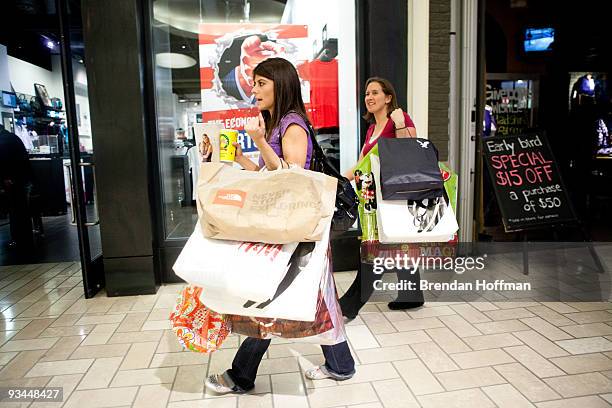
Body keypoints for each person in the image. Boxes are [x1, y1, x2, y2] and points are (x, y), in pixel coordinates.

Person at [205, 58, 355, 394]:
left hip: (296, 227)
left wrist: (258, 142)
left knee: (272, 296)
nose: (253, 89)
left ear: (281, 84)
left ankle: (240, 375)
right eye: (254, 83)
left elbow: (292, 177)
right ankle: (341, 365)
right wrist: (241, 159)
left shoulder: (292, 123)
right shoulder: (277, 123)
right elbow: (270, 177)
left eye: (261, 83)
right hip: (289, 227)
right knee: (311, 297)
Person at [339, 77, 424, 319]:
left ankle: (349, 305)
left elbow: (412, 151)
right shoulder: (370, 129)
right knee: (396, 245)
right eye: (367, 93)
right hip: (374, 198)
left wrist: (398, 124)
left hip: (392, 197)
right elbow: (362, 164)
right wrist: (340, 180)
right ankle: (412, 294)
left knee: (375, 250)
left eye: (375, 92)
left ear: (388, 97)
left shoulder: (399, 120)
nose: (369, 97)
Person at [0, 125, 34, 251]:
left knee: (15, 210)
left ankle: (18, 239)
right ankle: (26, 237)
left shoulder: (2, 140)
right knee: (22, 210)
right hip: (22, 179)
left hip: (11, 181)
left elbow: (3, 162)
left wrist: (5, 178)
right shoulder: (13, 138)